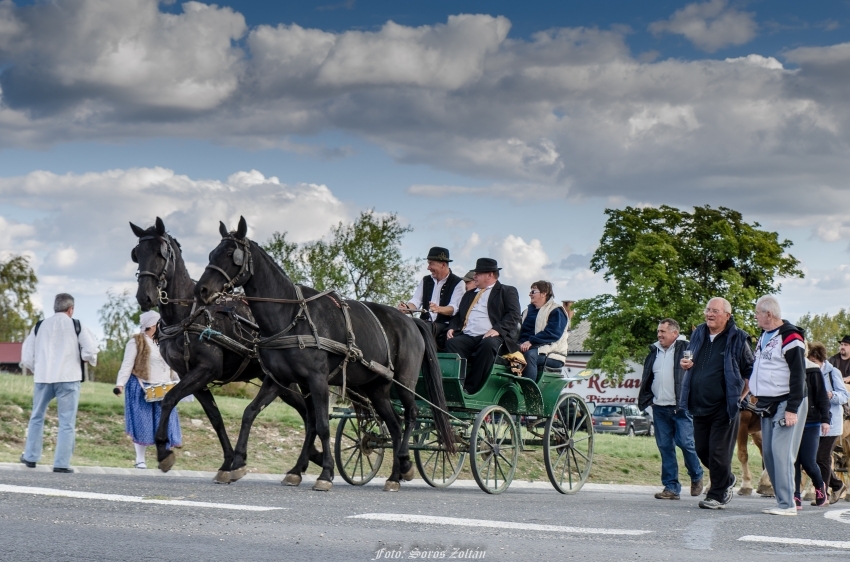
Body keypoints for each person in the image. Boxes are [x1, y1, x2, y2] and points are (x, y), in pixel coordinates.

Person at [679, 297, 754, 510]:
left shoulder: (738, 337)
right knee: (702, 449)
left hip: (724, 406)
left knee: (719, 453)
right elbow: (690, 358)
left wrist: (742, 395)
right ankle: (727, 478)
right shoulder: (699, 332)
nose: (709, 314)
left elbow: (750, 370)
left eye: (715, 311)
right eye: (707, 309)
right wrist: (686, 364)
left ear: (727, 315)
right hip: (698, 403)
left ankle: (717, 495)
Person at [19, 293, 99, 473]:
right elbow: (91, 349)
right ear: (71, 309)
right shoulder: (76, 324)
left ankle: (31, 457)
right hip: (69, 378)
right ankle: (61, 463)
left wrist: (36, 368)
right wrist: (85, 359)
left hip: (43, 378)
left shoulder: (39, 326)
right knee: (66, 422)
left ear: (55, 307)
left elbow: (26, 355)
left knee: (37, 417)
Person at [748, 295, 808, 516]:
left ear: (768, 314)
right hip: (767, 402)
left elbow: (798, 374)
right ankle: (781, 499)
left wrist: (792, 408)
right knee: (769, 453)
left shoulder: (791, 337)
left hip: (786, 401)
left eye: (757, 313)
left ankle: (788, 504)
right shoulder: (764, 336)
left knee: (780, 452)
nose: (755, 317)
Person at [638, 318, 704, 500]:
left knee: (685, 443)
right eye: (658, 331)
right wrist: (649, 399)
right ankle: (671, 487)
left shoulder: (687, 349)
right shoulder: (654, 352)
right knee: (665, 447)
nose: (659, 335)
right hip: (659, 408)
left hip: (681, 407)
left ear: (675, 333)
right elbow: (647, 378)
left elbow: (696, 372)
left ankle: (697, 475)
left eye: (663, 332)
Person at [114, 310, 182, 469]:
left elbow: (171, 365)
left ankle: (164, 458)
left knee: (164, 422)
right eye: (160, 323)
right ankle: (140, 460)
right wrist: (120, 384)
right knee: (143, 423)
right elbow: (127, 365)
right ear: (152, 325)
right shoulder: (136, 341)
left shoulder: (165, 341)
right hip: (142, 386)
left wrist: (181, 381)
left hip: (164, 388)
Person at [446, 258, 521, 393]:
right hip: (468, 335)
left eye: (478, 273)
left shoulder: (507, 291)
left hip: (493, 336)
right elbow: (458, 315)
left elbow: (514, 314)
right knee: (452, 343)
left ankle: (471, 388)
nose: (474, 276)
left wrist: (497, 329)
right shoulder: (469, 294)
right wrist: (452, 327)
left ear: (490, 275)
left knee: (488, 344)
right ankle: (456, 385)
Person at [398, 247, 465, 350]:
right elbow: (416, 301)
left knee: (423, 328)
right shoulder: (426, 280)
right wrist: (406, 308)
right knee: (404, 324)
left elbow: (454, 308)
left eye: (431, 263)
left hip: (444, 325)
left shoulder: (458, 283)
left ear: (443, 265)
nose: (428, 268)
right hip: (425, 323)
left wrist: (439, 309)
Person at [808, 342, 849, 504]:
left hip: (831, 423)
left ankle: (822, 493)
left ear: (821, 360)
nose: (813, 365)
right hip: (814, 422)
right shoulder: (809, 372)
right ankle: (838, 485)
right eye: (810, 361)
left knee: (821, 458)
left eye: (815, 362)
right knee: (812, 459)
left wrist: (831, 395)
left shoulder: (833, 373)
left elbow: (845, 396)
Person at [793, 354, 831, 509]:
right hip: (792, 422)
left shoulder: (813, 370)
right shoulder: (785, 369)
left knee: (808, 461)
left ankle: (819, 485)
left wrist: (825, 420)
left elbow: (822, 396)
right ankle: (795, 495)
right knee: (793, 461)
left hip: (811, 422)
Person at [517, 280, 568, 383]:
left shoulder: (556, 310)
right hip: (525, 346)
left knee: (530, 355)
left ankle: (528, 392)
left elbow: (553, 333)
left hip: (552, 353)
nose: (529, 294)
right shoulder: (526, 311)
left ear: (544, 294)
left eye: (533, 292)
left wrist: (531, 341)